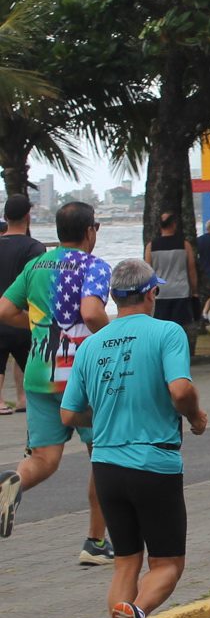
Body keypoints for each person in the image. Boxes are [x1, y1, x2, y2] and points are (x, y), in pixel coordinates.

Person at [58, 259, 206, 618]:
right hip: (154, 463)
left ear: (113, 298)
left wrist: (102, 414)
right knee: (167, 564)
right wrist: (195, 417)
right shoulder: (167, 333)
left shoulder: (90, 346)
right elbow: (180, 390)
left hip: (105, 465)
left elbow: (69, 413)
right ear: (151, 293)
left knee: (125, 562)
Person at [0, 201, 113, 561]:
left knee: (44, 458)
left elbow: (4, 309)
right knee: (103, 458)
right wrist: (115, 338)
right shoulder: (94, 266)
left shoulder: (36, 264)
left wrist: (35, 327)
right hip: (83, 380)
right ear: (90, 231)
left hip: (40, 373)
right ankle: (95, 543)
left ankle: (12, 483)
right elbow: (93, 311)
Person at [0, 195, 44, 418]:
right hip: (22, 315)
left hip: (1, 312)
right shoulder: (34, 248)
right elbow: (39, 284)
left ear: (5, 217)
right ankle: (22, 398)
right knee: (27, 359)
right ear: (28, 216)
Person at [144, 212, 198, 333]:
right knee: (180, 328)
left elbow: (148, 273)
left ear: (159, 226)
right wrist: (194, 291)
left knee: (160, 329)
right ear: (174, 224)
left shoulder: (151, 246)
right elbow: (191, 270)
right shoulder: (185, 245)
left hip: (160, 293)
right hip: (181, 291)